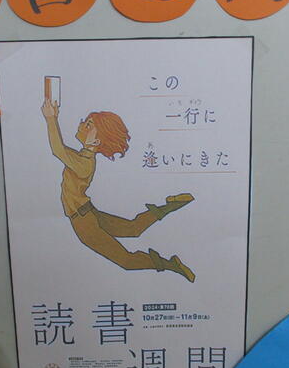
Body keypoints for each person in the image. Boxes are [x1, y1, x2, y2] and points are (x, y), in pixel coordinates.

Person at [41, 98, 196, 282]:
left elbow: (58, 150)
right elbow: (62, 150)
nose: (81, 125)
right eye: (85, 121)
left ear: (96, 140)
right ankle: (173, 205)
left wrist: (51, 119)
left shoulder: (83, 164)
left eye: (88, 125)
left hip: (83, 220)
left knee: (126, 260)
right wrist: (53, 117)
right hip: (88, 213)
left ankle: (170, 265)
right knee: (133, 228)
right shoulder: (82, 158)